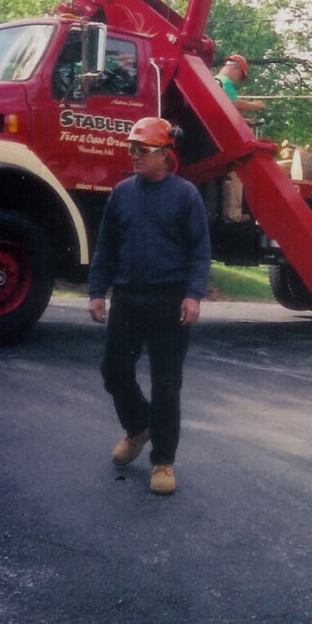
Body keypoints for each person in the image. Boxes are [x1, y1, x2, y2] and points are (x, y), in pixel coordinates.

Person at [88, 116, 211, 496]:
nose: (134, 156)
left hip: (169, 302)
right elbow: (106, 246)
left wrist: (193, 294)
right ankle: (138, 427)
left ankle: (163, 461)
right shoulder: (122, 193)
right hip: (127, 298)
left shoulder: (186, 195)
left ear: (165, 155)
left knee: (166, 385)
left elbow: (200, 251)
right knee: (113, 370)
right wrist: (97, 290)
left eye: (142, 150)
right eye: (132, 149)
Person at [214, 54, 266, 222]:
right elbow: (234, 104)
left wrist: (242, 121)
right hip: (220, 139)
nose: (239, 80)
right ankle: (233, 215)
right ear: (235, 67)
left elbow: (223, 110)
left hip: (211, 136)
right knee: (236, 171)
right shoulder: (224, 81)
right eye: (241, 76)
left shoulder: (214, 80)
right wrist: (255, 106)